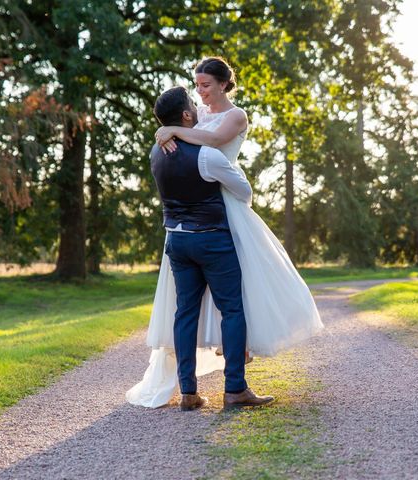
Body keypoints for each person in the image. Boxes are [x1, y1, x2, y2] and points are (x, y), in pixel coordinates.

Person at [126, 58, 323, 409]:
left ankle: (205, 379)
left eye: (205, 85)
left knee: (230, 293)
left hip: (220, 209)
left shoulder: (235, 116)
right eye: (196, 86)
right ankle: (233, 384)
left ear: (223, 84)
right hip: (210, 210)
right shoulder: (196, 116)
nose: (200, 93)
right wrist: (165, 129)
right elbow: (189, 132)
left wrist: (170, 131)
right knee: (225, 303)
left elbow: (214, 140)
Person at [142, 85, 274, 411]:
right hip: (212, 238)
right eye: (192, 103)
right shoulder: (207, 156)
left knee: (185, 312)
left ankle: (188, 392)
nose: (197, 106)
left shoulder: (156, 153)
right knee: (231, 310)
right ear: (187, 115)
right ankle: (235, 390)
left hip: (176, 240)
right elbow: (243, 192)